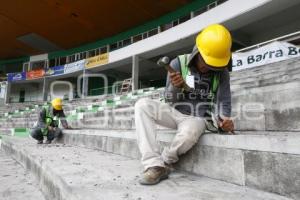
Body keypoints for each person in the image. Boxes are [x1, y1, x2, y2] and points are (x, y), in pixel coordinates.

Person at [135, 24, 234, 185]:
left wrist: (225, 121)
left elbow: (224, 100)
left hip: (196, 117)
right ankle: (152, 163)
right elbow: (169, 100)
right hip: (173, 112)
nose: (208, 68)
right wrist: (175, 86)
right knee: (142, 105)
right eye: (206, 62)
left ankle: (164, 164)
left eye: (213, 66)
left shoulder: (222, 72)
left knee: (191, 130)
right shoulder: (177, 63)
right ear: (197, 51)